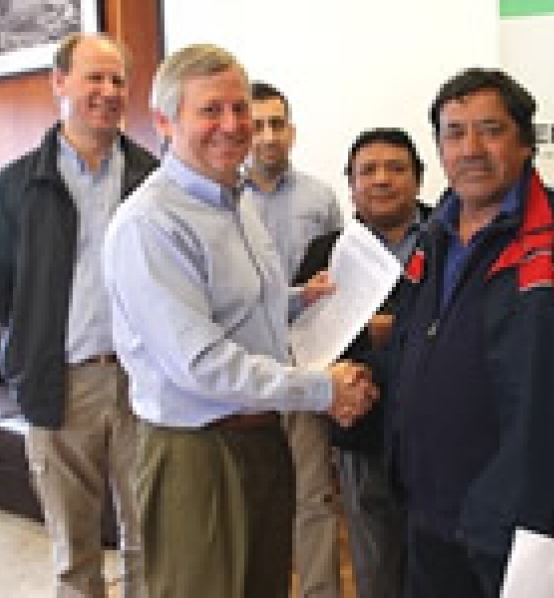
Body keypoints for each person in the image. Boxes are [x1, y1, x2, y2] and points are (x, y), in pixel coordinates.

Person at [102, 44, 377, 598]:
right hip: (197, 454)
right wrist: (323, 390)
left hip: (261, 438)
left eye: (239, 108)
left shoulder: (237, 200)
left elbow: (235, 305)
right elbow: (203, 364)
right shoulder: (149, 224)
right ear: (165, 121)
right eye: (210, 110)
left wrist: (297, 300)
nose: (232, 125)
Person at [380, 68, 554, 597]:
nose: (471, 149)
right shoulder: (431, 238)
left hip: (524, 526)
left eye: (490, 130)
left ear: (526, 142)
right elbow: (418, 348)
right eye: (454, 133)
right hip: (428, 514)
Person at [0, 33, 157, 598]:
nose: (108, 91)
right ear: (59, 82)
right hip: (60, 384)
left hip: (144, 382)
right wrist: (37, 333)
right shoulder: (12, 186)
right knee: (74, 552)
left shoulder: (153, 178)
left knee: (151, 539)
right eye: (94, 77)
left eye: (118, 80)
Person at [295, 128, 431, 598]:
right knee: (375, 560)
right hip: (363, 424)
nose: (381, 179)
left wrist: (396, 329)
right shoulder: (326, 252)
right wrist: (366, 345)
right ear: (351, 184)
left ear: (418, 178)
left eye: (396, 168)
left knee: (439, 560)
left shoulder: (450, 238)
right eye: (367, 171)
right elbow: (308, 340)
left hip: (438, 429)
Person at [245, 81, 344, 598]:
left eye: (276, 124)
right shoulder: (223, 199)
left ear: (292, 131)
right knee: (248, 496)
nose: (267, 136)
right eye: (257, 124)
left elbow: (339, 279)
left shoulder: (320, 199)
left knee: (313, 495)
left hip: (306, 362)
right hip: (242, 368)